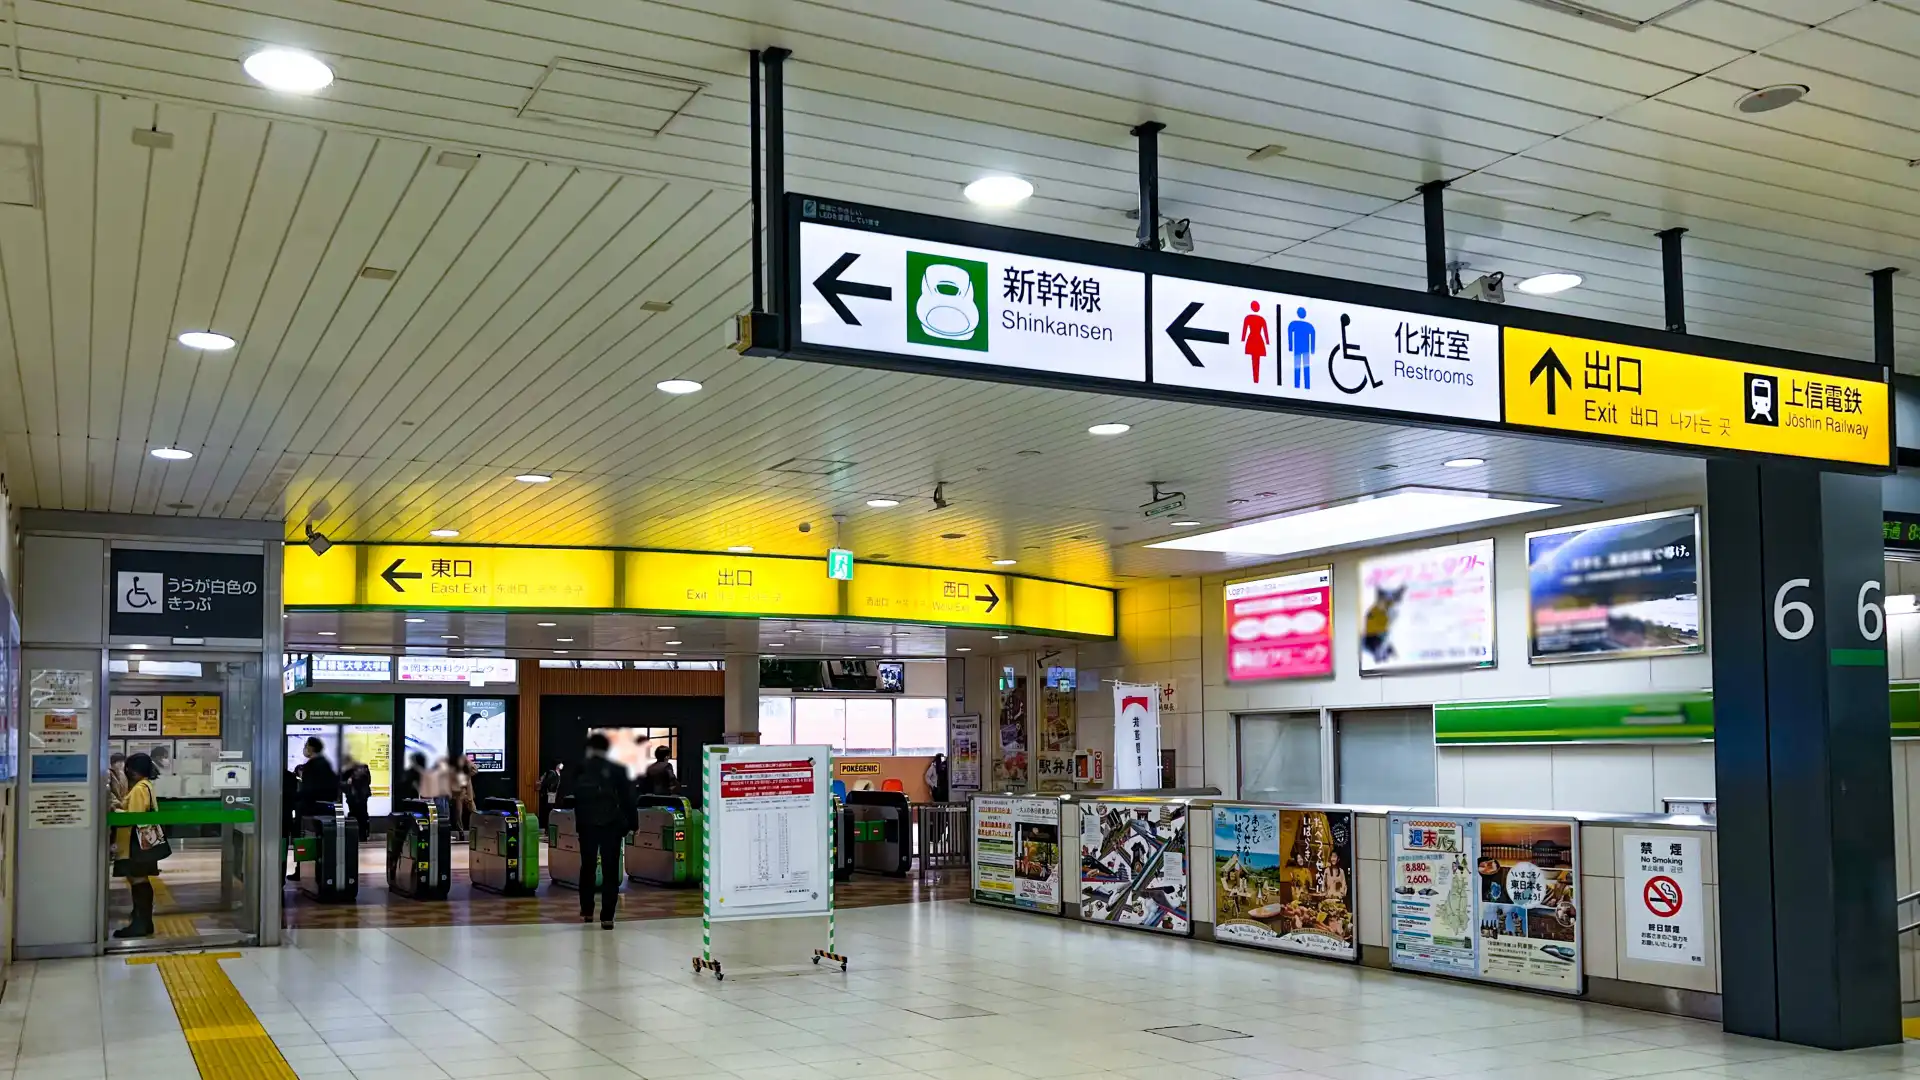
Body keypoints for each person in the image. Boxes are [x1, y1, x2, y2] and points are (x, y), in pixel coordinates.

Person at [570, 733, 635, 929]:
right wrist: (633, 824)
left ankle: (587, 911)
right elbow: (628, 797)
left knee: (587, 867)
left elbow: (570, 795)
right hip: (611, 825)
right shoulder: (617, 768)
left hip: (587, 825)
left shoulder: (580, 767)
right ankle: (607, 916)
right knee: (610, 869)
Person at [112, 753, 167, 938]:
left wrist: (115, 810)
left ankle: (141, 923)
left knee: (138, 879)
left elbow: (133, 817)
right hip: (141, 843)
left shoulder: (139, 789)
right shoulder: (147, 786)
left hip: (134, 844)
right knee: (139, 879)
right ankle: (142, 920)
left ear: (132, 770)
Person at [289, 737, 340, 882]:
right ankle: (307, 870)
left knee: (306, 840)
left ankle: (303, 870)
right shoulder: (325, 764)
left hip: (310, 810)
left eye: (306, 746)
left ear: (311, 748)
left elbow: (310, 789)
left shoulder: (314, 765)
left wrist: (295, 797)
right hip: (320, 809)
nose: (304, 749)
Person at [342, 754, 372, 844]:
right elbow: (369, 781)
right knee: (362, 816)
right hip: (362, 796)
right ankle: (363, 836)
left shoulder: (347, 770)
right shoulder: (364, 767)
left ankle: (354, 836)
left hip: (353, 796)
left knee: (354, 815)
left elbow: (343, 783)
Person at [421, 756, 452, 828]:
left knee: (444, 818)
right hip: (437, 802)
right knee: (439, 818)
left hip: (443, 802)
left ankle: (444, 832)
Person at [450, 755, 476, 837]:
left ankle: (476, 829)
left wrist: (468, 762)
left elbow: (475, 770)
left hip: (468, 793)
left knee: (474, 811)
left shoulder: (467, 769)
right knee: (458, 814)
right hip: (458, 794)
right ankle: (461, 832)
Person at [538, 761, 565, 828]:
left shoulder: (558, 774)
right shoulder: (552, 773)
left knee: (552, 810)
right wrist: (549, 791)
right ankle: (547, 827)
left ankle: (550, 827)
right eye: (560, 764)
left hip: (553, 795)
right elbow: (547, 783)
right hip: (550, 795)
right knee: (549, 811)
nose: (562, 765)